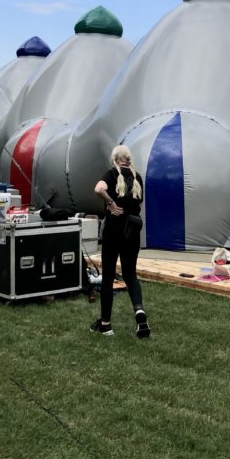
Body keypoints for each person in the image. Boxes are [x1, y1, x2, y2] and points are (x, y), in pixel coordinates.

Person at [90, 145, 148, 339]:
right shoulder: (137, 177)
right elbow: (139, 204)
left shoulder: (112, 174)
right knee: (130, 274)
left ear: (114, 159)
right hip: (132, 231)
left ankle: (105, 324)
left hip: (114, 230)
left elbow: (99, 188)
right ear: (129, 159)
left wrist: (111, 203)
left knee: (107, 276)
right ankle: (139, 312)